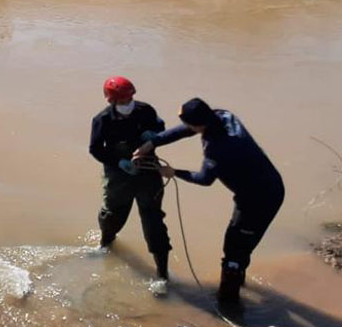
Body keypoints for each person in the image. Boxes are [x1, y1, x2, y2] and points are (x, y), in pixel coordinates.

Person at [135, 97, 284, 303]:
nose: (186, 127)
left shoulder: (218, 147)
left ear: (199, 123)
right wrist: (153, 142)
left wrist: (173, 172)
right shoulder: (222, 116)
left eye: (188, 123)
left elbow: (205, 179)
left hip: (260, 199)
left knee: (234, 251)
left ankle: (229, 304)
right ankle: (238, 282)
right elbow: (187, 129)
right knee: (238, 244)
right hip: (261, 186)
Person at [89, 76, 172, 294]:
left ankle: (162, 276)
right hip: (119, 174)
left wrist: (154, 135)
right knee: (112, 213)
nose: (129, 103)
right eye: (124, 101)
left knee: (153, 220)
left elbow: (161, 127)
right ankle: (105, 245)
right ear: (111, 101)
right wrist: (119, 162)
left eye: (130, 98)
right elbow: (95, 149)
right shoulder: (102, 120)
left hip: (148, 172)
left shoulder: (146, 111)